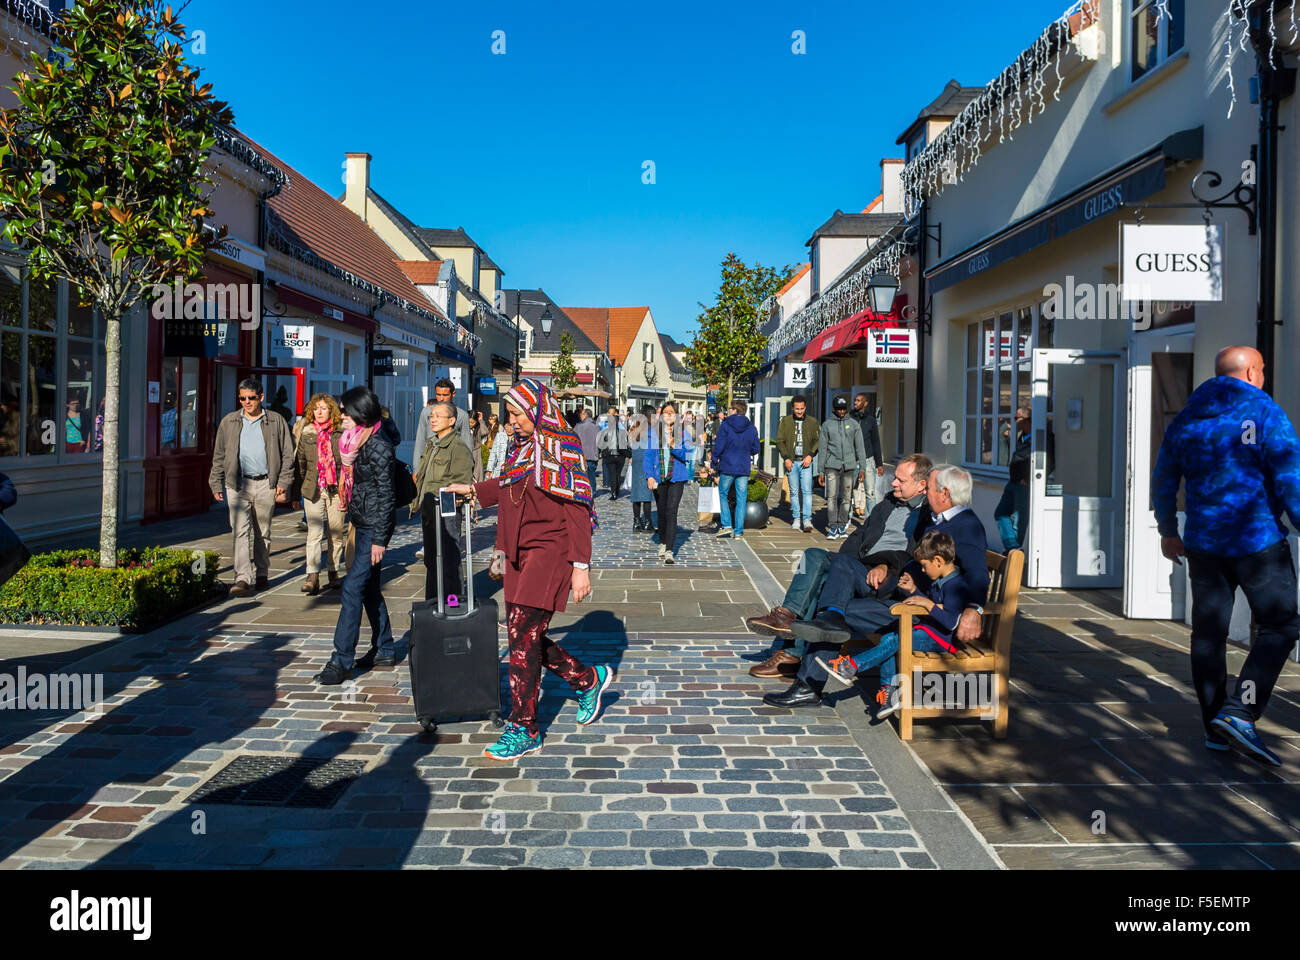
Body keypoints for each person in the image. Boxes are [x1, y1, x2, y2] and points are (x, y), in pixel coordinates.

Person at [444, 378, 613, 761]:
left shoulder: (563, 447)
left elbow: (578, 510)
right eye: (510, 415)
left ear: (537, 410)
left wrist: (580, 567)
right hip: (518, 553)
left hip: (551, 551)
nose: (512, 422)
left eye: (518, 414)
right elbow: (508, 491)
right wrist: (473, 492)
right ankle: (587, 679)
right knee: (526, 637)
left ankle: (525, 728)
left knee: (522, 635)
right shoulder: (520, 450)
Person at [1154, 345, 1300, 766]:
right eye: (1263, 369)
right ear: (1253, 371)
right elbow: (1291, 478)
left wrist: (1168, 529)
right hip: (1258, 544)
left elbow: (1164, 478)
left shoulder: (1187, 418)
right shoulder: (1265, 412)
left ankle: (1215, 725)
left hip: (1204, 545)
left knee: (1208, 636)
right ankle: (1240, 713)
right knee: (1280, 627)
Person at [768, 464, 987, 707]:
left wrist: (973, 609)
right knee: (835, 600)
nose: (927, 494)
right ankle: (806, 675)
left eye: (931, 489)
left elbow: (978, 574)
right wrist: (904, 575)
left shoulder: (967, 526)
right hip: (904, 596)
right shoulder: (938, 520)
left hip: (919, 615)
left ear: (945, 494)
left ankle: (808, 684)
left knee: (837, 616)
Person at [745, 454, 931, 677]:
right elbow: (860, 535)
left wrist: (885, 566)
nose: (893, 483)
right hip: (856, 567)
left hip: (884, 581)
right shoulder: (889, 503)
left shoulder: (926, 516)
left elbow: (915, 556)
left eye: (901, 480)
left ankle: (790, 655)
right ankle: (786, 616)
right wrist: (844, 564)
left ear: (921, 485)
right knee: (814, 556)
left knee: (820, 584)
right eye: (895, 478)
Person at [815, 531, 970, 716]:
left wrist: (928, 604)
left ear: (938, 561)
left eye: (924, 566)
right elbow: (930, 608)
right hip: (928, 631)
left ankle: (851, 667)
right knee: (891, 638)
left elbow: (951, 622)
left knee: (895, 640)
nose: (922, 570)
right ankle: (889, 695)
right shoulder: (942, 579)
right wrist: (914, 591)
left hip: (941, 640)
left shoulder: (955, 585)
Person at [316, 387, 397, 685]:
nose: (342, 418)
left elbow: (386, 496)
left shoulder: (378, 445)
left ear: (360, 413)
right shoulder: (357, 441)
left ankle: (341, 660)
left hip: (372, 528)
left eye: (346, 412)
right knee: (369, 588)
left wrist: (379, 539)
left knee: (351, 588)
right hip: (361, 522)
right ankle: (385, 647)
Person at [209, 379, 295, 598]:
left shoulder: (276, 421)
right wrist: (215, 482)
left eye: (251, 398)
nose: (247, 402)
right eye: (242, 398)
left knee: (262, 532)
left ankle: (262, 573)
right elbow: (219, 455)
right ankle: (242, 578)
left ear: (261, 397)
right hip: (237, 484)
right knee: (239, 531)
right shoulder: (229, 422)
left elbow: (287, 454)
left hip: (266, 483)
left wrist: (283, 483)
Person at [415, 400, 475, 605]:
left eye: (438, 416)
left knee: (449, 559)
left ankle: (453, 601)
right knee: (432, 559)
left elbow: (461, 482)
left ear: (451, 421)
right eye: (432, 416)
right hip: (429, 509)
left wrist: (448, 509)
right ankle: (432, 602)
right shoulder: (432, 443)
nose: (433, 419)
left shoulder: (457, 448)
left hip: (446, 510)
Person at [293, 393, 347, 596]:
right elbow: (300, 463)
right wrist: (296, 493)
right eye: (316, 408)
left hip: (336, 489)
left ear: (331, 411)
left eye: (324, 408)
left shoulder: (341, 433)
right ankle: (312, 575)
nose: (319, 412)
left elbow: (347, 463)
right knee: (314, 533)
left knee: (336, 533)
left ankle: (333, 571)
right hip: (313, 488)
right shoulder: (306, 432)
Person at [645, 400, 693, 563]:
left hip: (677, 477)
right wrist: (649, 475)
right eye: (666, 412)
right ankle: (663, 541)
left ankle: (670, 550)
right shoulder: (653, 432)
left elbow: (687, 456)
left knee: (671, 511)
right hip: (659, 477)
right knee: (662, 511)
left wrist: (674, 445)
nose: (668, 415)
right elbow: (648, 456)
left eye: (672, 412)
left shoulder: (683, 433)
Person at [819, 395, 868, 540]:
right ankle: (832, 526)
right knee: (832, 497)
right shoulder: (827, 425)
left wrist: (863, 468)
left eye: (843, 409)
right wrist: (820, 470)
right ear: (834, 408)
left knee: (847, 497)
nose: (841, 411)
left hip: (849, 465)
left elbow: (860, 448)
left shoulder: (854, 424)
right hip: (832, 465)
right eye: (839, 409)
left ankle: (842, 525)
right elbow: (823, 449)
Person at [711, 398, 760, 539]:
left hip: (728, 466)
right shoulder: (751, 427)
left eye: (730, 409)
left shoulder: (726, 425)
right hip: (743, 467)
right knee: (741, 499)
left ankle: (727, 525)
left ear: (735, 410)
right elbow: (756, 448)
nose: (728, 412)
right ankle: (738, 531)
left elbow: (719, 446)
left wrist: (714, 461)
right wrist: (745, 452)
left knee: (723, 494)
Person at [776, 395, 819, 532]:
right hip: (792, 461)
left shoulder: (812, 422)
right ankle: (796, 518)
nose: (799, 411)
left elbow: (817, 440)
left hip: (806, 461)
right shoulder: (786, 421)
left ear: (805, 408)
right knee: (794, 492)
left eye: (801, 409)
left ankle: (807, 519)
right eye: (797, 409)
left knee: (807, 491)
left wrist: (811, 455)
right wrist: (786, 458)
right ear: (793, 408)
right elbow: (780, 441)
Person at [414, 378, 473, 458]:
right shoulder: (426, 412)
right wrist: (417, 468)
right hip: (429, 461)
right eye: (438, 394)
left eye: (445, 395)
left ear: (453, 394)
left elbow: (467, 444)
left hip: (451, 462)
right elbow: (420, 441)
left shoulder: (462, 416)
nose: (441, 398)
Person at [851, 393, 885, 520]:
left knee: (870, 492)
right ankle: (846, 519)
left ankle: (870, 520)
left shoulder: (870, 420)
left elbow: (876, 441)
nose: (855, 402)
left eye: (859, 400)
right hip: (852, 460)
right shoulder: (849, 418)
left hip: (868, 460)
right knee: (849, 491)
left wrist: (879, 464)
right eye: (855, 400)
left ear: (865, 403)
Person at [628, 406, 655, 532]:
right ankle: (647, 522)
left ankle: (636, 521)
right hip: (647, 460)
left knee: (637, 492)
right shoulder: (651, 430)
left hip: (637, 461)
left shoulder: (636, 427)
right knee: (647, 493)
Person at [600, 406, 630, 500]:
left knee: (613, 474)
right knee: (617, 474)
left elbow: (601, 444)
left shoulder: (605, 431)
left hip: (609, 456)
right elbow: (625, 445)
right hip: (620, 456)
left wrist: (602, 453)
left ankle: (614, 492)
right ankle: (616, 491)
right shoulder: (622, 432)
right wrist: (628, 454)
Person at [573, 406, 601, 492]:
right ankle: (593, 491)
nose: (580, 416)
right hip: (593, 455)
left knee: (581, 476)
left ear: (585, 415)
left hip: (581, 455)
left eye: (581, 414)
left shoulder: (578, 427)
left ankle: (583, 491)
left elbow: (573, 440)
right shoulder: (597, 427)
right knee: (591, 475)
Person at [485, 413, 509, 478]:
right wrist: (489, 469)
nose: (489, 420)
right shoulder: (490, 427)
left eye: (491, 419)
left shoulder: (499, 427)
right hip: (491, 445)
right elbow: (493, 455)